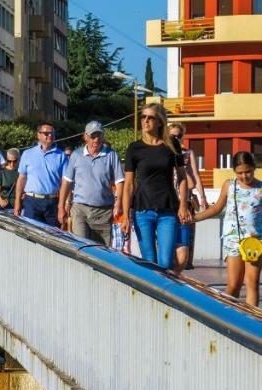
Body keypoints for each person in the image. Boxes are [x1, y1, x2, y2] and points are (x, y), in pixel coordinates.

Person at [122, 103, 191, 269]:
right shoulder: (134, 148)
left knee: (165, 262)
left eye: (150, 117)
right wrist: (125, 215)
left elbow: (182, 177)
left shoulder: (172, 145)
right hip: (142, 211)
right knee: (149, 262)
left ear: (160, 122)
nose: (145, 121)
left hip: (167, 210)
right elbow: (129, 185)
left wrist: (183, 205)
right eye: (143, 117)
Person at [194, 151, 262, 308]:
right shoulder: (229, 186)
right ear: (234, 171)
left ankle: (251, 321)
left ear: (254, 168)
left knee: (252, 283)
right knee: (234, 284)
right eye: (240, 173)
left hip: (254, 241)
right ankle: (225, 315)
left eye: (248, 172)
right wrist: (196, 218)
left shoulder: (260, 188)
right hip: (233, 240)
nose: (245, 176)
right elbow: (217, 208)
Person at [58, 121, 125, 246]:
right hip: (80, 209)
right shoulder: (76, 155)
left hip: (103, 212)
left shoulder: (111, 155)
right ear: (85, 137)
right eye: (93, 136)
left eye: (99, 135)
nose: (96, 139)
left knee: (101, 250)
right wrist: (61, 206)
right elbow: (67, 182)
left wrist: (119, 204)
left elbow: (120, 182)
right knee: (81, 247)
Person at [167, 122, 208, 275]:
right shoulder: (164, 152)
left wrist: (203, 197)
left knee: (187, 234)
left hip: (185, 199)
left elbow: (195, 178)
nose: (176, 138)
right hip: (169, 201)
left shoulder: (188, 153)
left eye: (179, 135)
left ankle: (185, 263)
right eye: (173, 135)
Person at [15, 123, 69, 226]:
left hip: (52, 203)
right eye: (46, 133)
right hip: (31, 202)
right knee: (31, 235)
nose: (50, 135)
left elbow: (66, 183)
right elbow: (21, 179)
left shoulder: (61, 156)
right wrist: (17, 202)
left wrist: (64, 205)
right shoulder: (27, 154)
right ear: (38, 135)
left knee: (53, 237)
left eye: (52, 133)